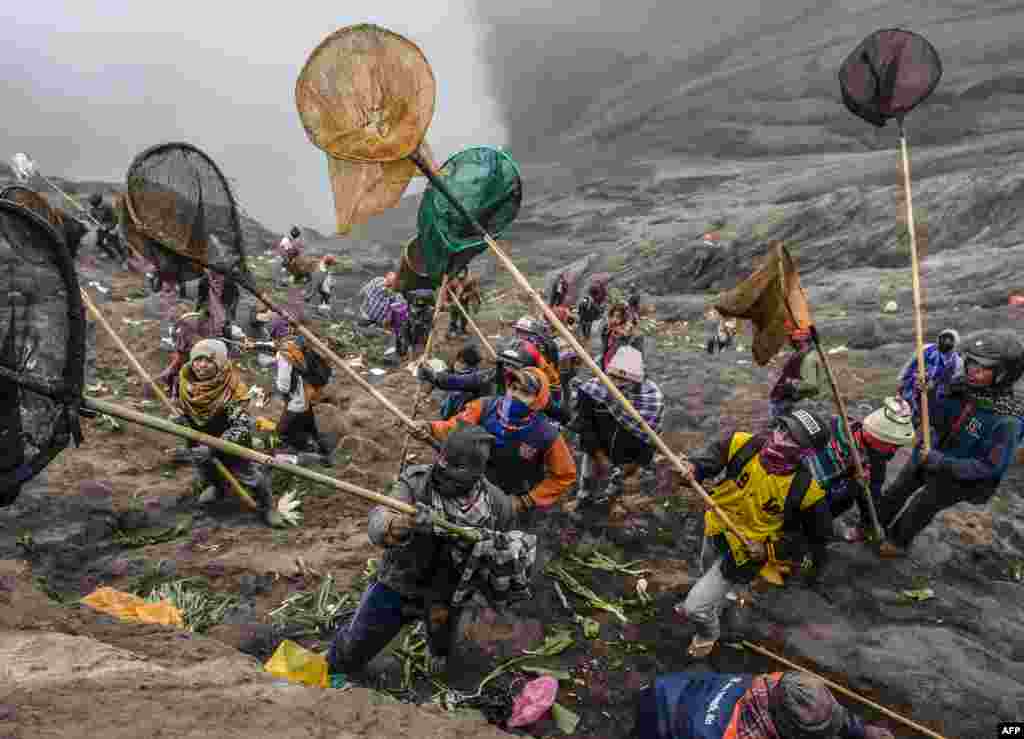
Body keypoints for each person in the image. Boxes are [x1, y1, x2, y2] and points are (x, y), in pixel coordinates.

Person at [327, 426, 535, 677]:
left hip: (448, 593)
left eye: (453, 476)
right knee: (355, 644)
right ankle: (336, 668)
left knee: (441, 638)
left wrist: (499, 553)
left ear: (476, 474)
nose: (441, 479)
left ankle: (437, 652)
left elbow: (503, 549)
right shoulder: (416, 483)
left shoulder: (498, 506)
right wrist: (402, 524)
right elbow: (378, 521)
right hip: (398, 583)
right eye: (441, 469)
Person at [675, 409, 833, 657]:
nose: (780, 438)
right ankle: (718, 603)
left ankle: (707, 634)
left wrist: (769, 549)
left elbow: (815, 537)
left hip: (747, 552)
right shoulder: (743, 444)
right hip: (716, 526)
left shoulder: (806, 491)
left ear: (806, 452)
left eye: (791, 439)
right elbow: (708, 460)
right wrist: (691, 469)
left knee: (694, 607)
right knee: (706, 567)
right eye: (782, 428)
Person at [877, 329, 1024, 558]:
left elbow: (988, 467)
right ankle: (872, 524)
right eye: (970, 363)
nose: (972, 371)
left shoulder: (1007, 421)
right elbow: (936, 417)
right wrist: (928, 394)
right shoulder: (960, 388)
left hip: (959, 476)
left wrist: (941, 461)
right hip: (929, 452)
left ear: (1005, 374)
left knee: (922, 505)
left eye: (982, 368)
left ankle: (897, 541)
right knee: (896, 490)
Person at [417, 366, 577, 515]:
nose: (514, 395)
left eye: (525, 393)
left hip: (512, 497)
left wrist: (526, 500)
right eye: (513, 388)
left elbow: (564, 475)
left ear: (538, 401)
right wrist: (430, 428)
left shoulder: (546, 435)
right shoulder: (484, 407)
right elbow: (454, 428)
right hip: (473, 483)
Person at [172, 339, 283, 527]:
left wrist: (215, 448)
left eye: (208, 361)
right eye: (198, 360)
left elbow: (240, 426)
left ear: (220, 363)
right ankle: (219, 488)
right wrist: (180, 418)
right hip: (198, 437)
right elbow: (181, 407)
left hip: (231, 440)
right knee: (207, 469)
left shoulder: (232, 390)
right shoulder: (184, 381)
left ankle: (268, 506)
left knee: (249, 475)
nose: (201, 365)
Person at [633, 669, 894, 739]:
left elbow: (823, 712)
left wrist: (861, 730)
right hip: (660, 713)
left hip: (687, 686)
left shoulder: (784, 685)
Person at [805, 398, 915, 543]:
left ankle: (817, 529)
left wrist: (869, 522)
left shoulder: (875, 462)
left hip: (830, 500)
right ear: (877, 436)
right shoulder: (832, 428)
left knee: (849, 498)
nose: (894, 450)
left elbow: (871, 493)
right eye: (892, 444)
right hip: (804, 490)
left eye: (897, 446)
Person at [574, 346, 664, 503]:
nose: (615, 384)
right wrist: (598, 454)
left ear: (637, 380)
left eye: (622, 380)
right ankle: (584, 495)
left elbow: (650, 438)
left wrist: (637, 463)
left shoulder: (651, 400)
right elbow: (585, 425)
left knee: (619, 479)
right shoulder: (592, 392)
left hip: (627, 453)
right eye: (612, 377)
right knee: (588, 473)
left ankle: (611, 495)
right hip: (596, 446)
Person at [268, 318, 333, 460]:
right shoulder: (299, 343)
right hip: (307, 392)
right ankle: (322, 450)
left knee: (280, 435)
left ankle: (303, 457)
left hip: (296, 398)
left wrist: (280, 388)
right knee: (309, 426)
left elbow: (284, 385)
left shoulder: (284, 353)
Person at [897, 328, 964, 428]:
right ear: (938, 339)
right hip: (912, 388)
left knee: (923, 419)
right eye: (943, 339)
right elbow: (910, 365)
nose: (945, 342)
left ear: (955, 344)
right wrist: (902, 382)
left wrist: (935, 386)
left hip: (933, 397)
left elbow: (952, 384)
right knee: (903, 413)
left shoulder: (957, 363)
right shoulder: (926, 349)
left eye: (950, 340)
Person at [158, 303, 222, 398]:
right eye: (203, 318)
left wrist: (210, 340)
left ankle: (183, 390)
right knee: (177, 368)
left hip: (194, 351)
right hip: (183, 349)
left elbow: (208, 336)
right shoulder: (188, 321)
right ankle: (169, 384)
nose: (203, 321)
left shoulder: (207, 323)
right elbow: (183, 336)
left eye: (205, 320)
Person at [418, 342, 489, 420]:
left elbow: (453, 381)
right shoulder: (455, 367)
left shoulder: (475, 378)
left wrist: (433, 375)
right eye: (458, 360)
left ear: (470, 365)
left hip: (465, 415)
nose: (458, 363)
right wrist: (425, 391)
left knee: (455, 396)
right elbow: (442, 376)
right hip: (449, 410)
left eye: (462, 362)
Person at [768, 325, 824, 419]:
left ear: (801, 340)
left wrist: (791, 384)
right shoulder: (802, 354)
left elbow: (811, 385)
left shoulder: (808, 358)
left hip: (789, 402)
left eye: (792, 339)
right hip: (784, 400)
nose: (789, 341)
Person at [358, 272, 408, 355]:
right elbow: (363, 291)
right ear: (386, 276)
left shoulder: (396, 295)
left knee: (382, 339)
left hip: (380, 323)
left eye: (392, 285)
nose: (390, 287)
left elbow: (400, 309)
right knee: (362, 331)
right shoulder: (377, 282)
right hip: (366, 316)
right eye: (389, 284)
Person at [88, 193, 127, 264]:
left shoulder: (108, 207)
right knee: (99, 243)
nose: (92, 205)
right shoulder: (93, 209)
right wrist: (85, 214)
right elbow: (92, 219)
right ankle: (111, 255)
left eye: (93, 203)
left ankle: (124, 257)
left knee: (114, 243)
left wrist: (107, 227)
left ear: (98, 202)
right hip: (101, 228)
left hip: (112, 228)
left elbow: (115, 219)